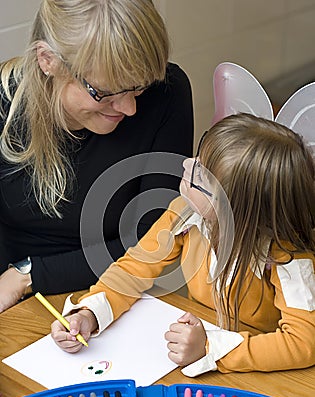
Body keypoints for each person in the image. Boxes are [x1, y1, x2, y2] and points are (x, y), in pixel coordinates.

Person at [51, 113, 315, 374]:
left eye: (199, 177)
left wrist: (210, 347)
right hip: (199, 354)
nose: (187, 164)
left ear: (232, 210)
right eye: (199, 155)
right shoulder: (184, 212)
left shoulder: (288, 257)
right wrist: (89, 313)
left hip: (265, 377)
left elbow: (303, 343)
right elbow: (133, 270)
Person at [0, 0, 194, 312]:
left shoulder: (166, 94)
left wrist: (29, 274)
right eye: (104, 93)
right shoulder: (4, 104)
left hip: (119, 288)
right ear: (48, 60)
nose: (130, 109)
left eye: (138, 88)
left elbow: (155, 239)